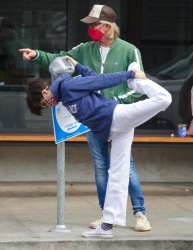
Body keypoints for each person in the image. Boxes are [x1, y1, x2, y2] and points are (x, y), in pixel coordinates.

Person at [20, 4, 151, 231]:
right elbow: (61, 59)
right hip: (93, 120)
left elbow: (140, 84)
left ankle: (140, 214)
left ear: (107, 26)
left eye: (94, 24)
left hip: (118, 115)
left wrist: (117, 101)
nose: (90, 28)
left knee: (126, 166)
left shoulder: (130, 50)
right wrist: (37, 55)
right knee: (101, 166)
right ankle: (106, 214)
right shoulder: (84, 49)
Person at [26, 56, 172, 238]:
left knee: (165, 98)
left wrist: (131, 73)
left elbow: (101, 81)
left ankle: (134, 82)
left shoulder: (68, 87)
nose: (48, 106)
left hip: (117, 116)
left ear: (45, 92)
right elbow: (92, 77)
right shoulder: (64, 93)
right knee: (117, 173)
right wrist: (78, 65)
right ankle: (107, 227)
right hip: (114, 130)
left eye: (43, 103)